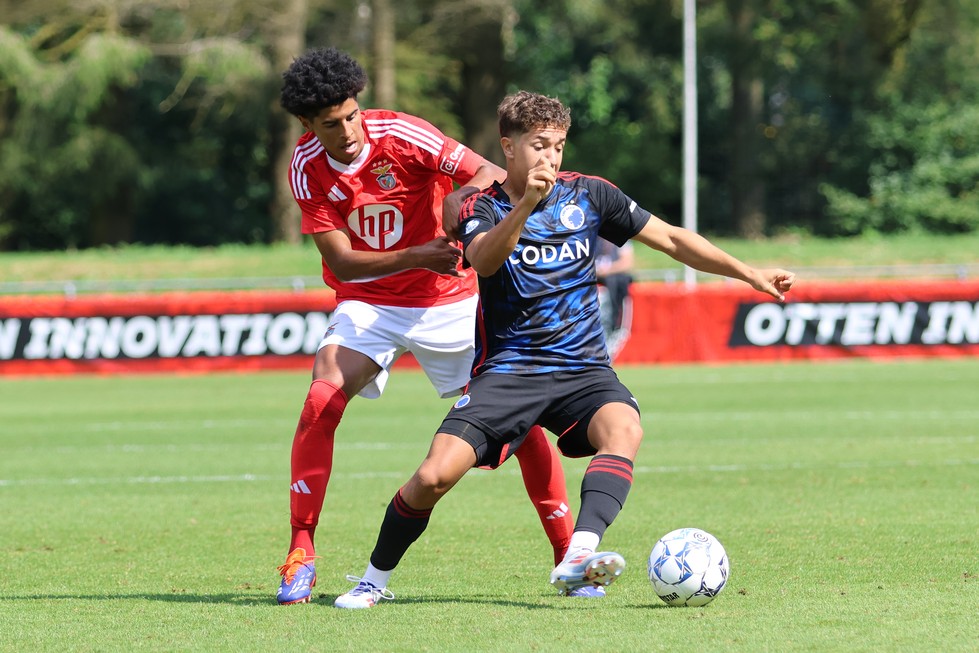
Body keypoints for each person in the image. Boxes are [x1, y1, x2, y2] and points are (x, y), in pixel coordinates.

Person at [333, 90, 795, 608]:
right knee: (433, 476)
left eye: (557, 146)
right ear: (508, 147)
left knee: (625, 428)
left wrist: (749, 273)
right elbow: (484, 261)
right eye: (538, 146)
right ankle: (373, 579)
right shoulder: (479, 206)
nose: (550, 158)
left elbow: (671, 239)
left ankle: (579, 554)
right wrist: (526, 204)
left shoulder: (591, 195)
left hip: (582, 369)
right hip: (508, 371)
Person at [274, 50, 574, 605]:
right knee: (321, 401)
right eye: (328, 124)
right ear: (306, 126)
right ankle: (300, 551)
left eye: (350, 115)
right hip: (370, 302)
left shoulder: (404, 134)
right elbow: (341, 263)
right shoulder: (305, 167)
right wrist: (417, 255)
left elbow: (486, 173)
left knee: (520, 418)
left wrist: (463, 201)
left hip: (450, 300)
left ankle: (568, 556)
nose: (345, 132)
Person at [595, 238, 634, 357]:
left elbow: (627, 263)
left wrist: (606, 270)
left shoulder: (620, 238)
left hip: (613, 287)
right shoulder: (587, 236)